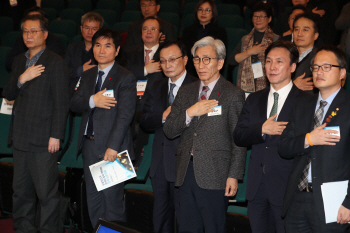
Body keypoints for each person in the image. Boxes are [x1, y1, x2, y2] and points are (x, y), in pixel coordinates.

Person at [163, 36, 246, 233]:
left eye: (206, 59)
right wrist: (190, 112)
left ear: (220, 62)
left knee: (213, 227)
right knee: (186, 227)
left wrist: (234, 175)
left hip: (216, 174)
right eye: (197, 59)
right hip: (185, 172)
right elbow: (169, 130)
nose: (201, 64)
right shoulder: (186, 92)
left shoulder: (232, 94)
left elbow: (239, 139)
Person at [2, 14, 69, 233]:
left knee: (46, 194)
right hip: (21, 137)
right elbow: (8, 93)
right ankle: (24, 229)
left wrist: (56, 135)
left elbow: (61, 103)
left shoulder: (56, 62)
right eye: (25, 32)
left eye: (34, 31)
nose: (29, 35)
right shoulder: (20, 60)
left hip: (43, 139)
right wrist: (23, 78)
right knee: (20, 192)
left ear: (45, 34)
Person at [233, 40, 306, 233]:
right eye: (268, 61)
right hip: (256, 187)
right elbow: (239, 135)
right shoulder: (254, 99)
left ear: (292, 66)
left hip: (287, 187)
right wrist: (261, 129)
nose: (272, 67)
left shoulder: (305, 101)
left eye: (279, 62)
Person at [279, 44, 350, 232]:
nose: (319, 71)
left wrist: (349, 203)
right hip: (297, 198)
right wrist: (309, 139)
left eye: (327, 67)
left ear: (342, 73)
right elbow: (284, 147)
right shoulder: (302, 104)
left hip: (333, 202)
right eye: (316, 67)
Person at [70, 28, 136, 226]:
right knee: (94, 202)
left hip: (113, 149)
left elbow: (125, 116)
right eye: (97, 45)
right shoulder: (88, 75)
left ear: (116, 51)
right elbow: (74, 103)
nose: (101, 50)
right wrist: (92, 100)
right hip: (89, 147)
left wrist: (113, 147)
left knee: (113, 204)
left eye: (108, 46)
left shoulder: (125, 77)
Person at [139, 40, 197, 233]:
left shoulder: (197, 86)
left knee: (185, 220)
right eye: (163, 61)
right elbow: (144, 120)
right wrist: (162, 117)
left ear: (185, 60)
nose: (167, 65)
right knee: (161, 219)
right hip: (160, 163)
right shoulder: (156, 85)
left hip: (186, 163)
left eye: (172, 59)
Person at [124, 16, 166, 163]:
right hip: (130, 106)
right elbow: (122, 76)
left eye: (153, 29)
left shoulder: (166, 54)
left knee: (146, 154)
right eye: (145, 29)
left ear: (160, 34)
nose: (148, 32)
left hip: (154, 109)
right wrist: (144, 70)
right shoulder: (129, 52)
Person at [229, 2, 279, 92]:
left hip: (269, 83)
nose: (258, 19)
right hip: (247, 83)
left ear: (269, 19)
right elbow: (232, 60)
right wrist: (250, 52)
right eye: (255, 16)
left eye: (262, 16)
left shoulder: (276, 39)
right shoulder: (245, 39)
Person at [6, 6, 65, 72]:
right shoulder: (20, 41)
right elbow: (9, 63)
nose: (29, 36)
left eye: (34, 31)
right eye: (26, 31)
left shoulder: (55, 42)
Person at [181, 0, 227, 77]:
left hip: (211, 69)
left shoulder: (220, 32)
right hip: (191, 69)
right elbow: (184, 53)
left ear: (213, 14)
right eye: (200, 9)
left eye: (207, 10)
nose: (203, 12)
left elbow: (221, 55)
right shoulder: (187, 30)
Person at [65, 12, 104, 94]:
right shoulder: (72, 48)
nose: (90, 32)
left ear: (100, 30)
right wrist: (81, 70)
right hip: (73, 92)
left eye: (94, 29)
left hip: (97, 92)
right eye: (86, 28)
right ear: (81, 28)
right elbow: (64, 71)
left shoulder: (104, 50)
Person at [292, 13, 319, 92]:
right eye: (296, 29)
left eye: (305, 30)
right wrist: (292, 86)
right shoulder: (285, 55)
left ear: (315, 36)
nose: (299, 34)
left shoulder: (320, 58)